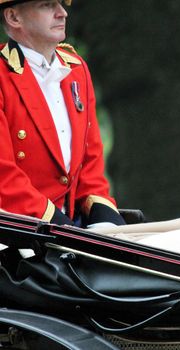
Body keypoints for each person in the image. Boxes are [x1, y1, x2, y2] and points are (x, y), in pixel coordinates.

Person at [0, 0, 125, 228]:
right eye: (47, 5)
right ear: (13, 17)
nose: (62, 13)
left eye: (61, 4)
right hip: (18, 230)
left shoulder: (77, 68)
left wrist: (106, 221)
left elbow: (90, 163)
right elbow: (3, 177)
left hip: (69, 227)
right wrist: (59, 225)